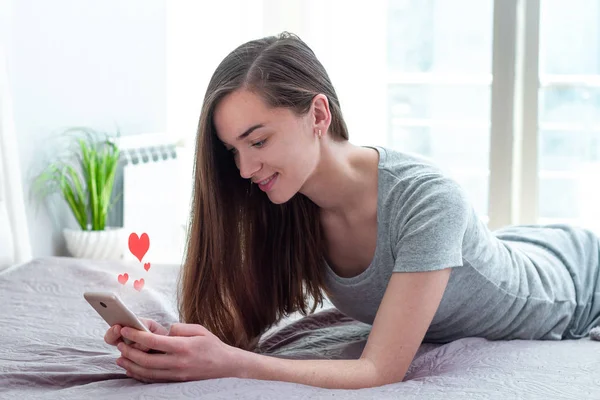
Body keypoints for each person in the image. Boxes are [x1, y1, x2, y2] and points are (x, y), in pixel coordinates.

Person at [103, 32, 600, 389]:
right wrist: (174, 346)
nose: (244, 167)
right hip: (515, 246)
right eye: (233, 150)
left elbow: (379, 371)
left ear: (318, 115)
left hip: (579, 285)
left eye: (258, 140)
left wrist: (231, 364)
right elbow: (237, 320)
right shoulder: (285, 203)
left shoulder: (428, 201)